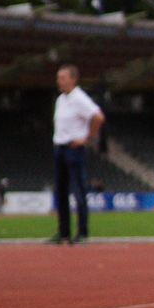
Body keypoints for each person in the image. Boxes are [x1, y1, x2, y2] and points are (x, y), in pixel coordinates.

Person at [50, 64, 104, 244]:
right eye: (58, 78)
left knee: (78, 191)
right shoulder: (60, 99)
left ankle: (82, 233)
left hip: (74, 149)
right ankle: (63, 232)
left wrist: (87, 138)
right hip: (60, 148)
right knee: (61, 192)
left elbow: (98, 117)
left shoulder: (80, 98)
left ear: (73, 79)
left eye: (62, 78)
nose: (59, 81)